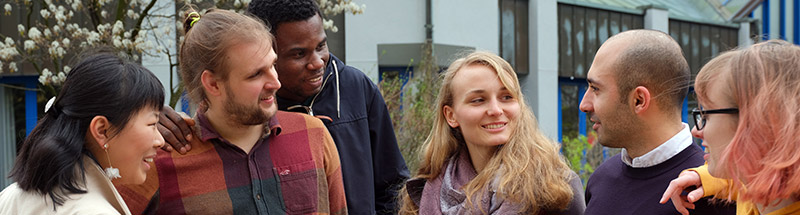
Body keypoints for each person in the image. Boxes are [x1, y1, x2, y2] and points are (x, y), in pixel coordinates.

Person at [159, 0, 410, 214]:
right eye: (298, 54)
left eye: (321, 46)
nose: (317, 63)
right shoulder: (171, 155)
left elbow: (393, 184)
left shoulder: (353, 90)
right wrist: (147, 123)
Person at [117, 8, 347, 214]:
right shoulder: (157, 163)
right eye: (256, 74)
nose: (275, 83)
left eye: (272, 65)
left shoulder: (314, 135)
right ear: (213, 84)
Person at [397, 51, 585, 214]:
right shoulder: (427, 192)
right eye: (478, 100)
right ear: (451, 115)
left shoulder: (555, 185)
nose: (496, 110)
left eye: (506, 97)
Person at [580, 29, 735, 214]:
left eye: (596, 89)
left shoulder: (713, 195)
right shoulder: (601, 179)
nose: (584, 104)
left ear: (639, 100)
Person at [0, 53, 166, 214]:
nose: (160, 141)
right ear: (102, 130)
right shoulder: (94, 210)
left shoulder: (9, 198)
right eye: (152, 124)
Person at [660, 40, 800, 215]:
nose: (696, 131)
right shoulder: (768, 192)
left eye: (706, 116)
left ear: (755, 123)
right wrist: (703, 178)